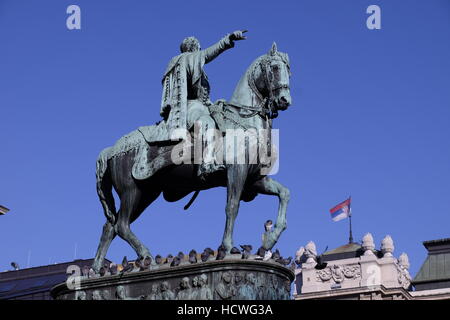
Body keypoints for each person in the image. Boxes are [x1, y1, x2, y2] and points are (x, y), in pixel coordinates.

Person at [160, 30, 247, 179]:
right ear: (195, 48)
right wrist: (228, 39)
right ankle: (206, 165)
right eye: (199, 49)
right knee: (206, 122)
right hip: (189, 106)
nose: (200, 52)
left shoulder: (187, 62)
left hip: (200, 106)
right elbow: (209, 53)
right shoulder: (187, 58)